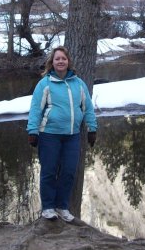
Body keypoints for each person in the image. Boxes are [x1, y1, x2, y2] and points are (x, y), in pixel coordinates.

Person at [27, 46, 98, 222]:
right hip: (49, 134)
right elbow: (36, 108)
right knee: (49, 171)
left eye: (63, 59)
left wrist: (92, 128)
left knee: (68, 172)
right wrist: (32, 131)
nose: (60, 61)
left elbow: (87, 107)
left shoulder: (78, 83)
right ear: (52, 62)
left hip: (72, 135)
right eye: (57, 59)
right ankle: (48, 208)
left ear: (68, 62)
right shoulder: (45, 83)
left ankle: (62, 207)